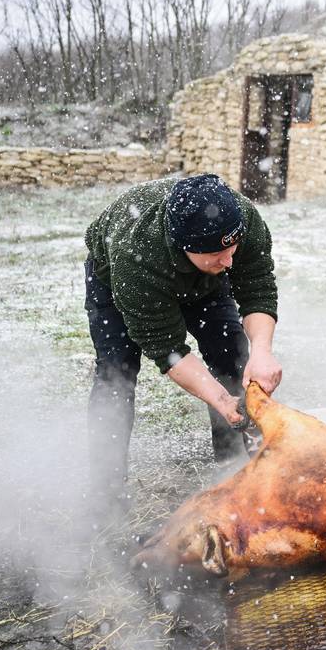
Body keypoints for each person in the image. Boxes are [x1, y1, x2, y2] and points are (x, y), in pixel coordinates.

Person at [84, 174, 281, 508]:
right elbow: (168, 349)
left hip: (204, 281)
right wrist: (222, 400)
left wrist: (262, 351)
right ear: (185, 246)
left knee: (231, 353)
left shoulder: (241, 219)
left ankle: (233, 468)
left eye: (233, 247)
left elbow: (257, 286)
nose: (230, 260)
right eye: (218, 252)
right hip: (119, 280)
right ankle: (107, 490)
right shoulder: (135, 255)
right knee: (116, 374)